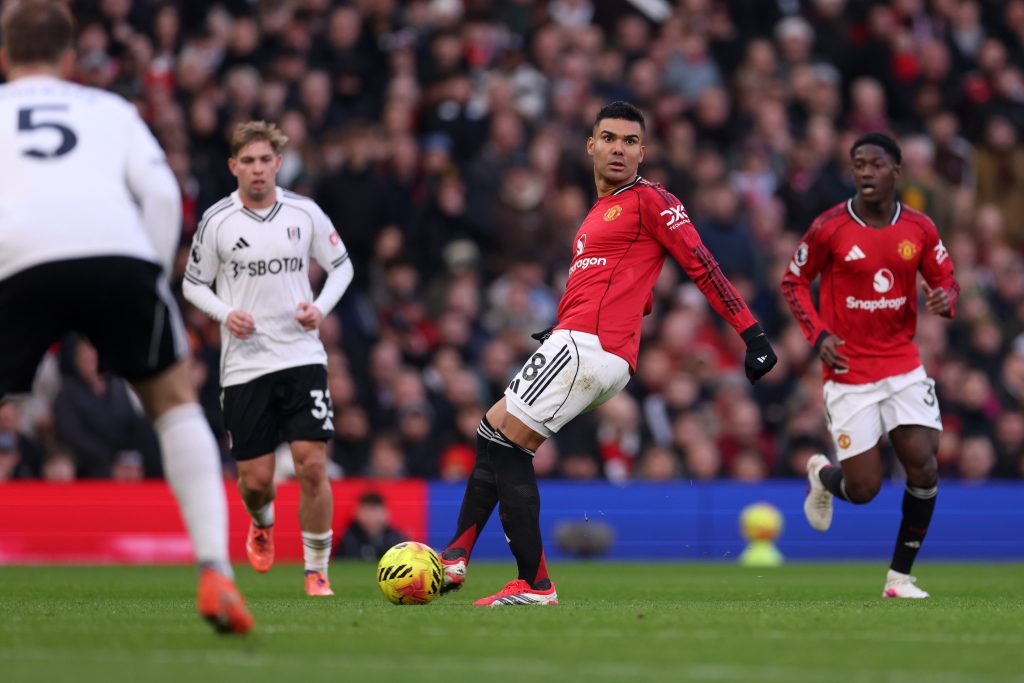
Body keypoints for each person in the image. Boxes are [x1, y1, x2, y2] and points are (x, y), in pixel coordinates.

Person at [438, 101, 778, 606]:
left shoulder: (651, 199)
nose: (619, 148)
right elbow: (628, 290)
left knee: (508, 446)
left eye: (630, 141)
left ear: (643, 152)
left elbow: (702, 264)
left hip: (590, 345)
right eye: (610, 138)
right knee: (492, 430)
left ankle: (535, 584)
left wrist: (753, 335)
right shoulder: (597, 214)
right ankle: (455, 557)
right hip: (578, 341)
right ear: (590, 146)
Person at [0, 1, 251, 634]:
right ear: (68, 61)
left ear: (4, 59)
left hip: (18, 259)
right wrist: (152, 276)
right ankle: (216, 569)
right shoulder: (109, 110)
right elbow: (162, 193)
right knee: (174, 404)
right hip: (120, 257)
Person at [781, 132, 959, 599]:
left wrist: (946, 298)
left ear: (896, 172)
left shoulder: (919, 227)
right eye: (859, 164)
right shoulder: (830, 227)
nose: (865, 172)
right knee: (863, 490)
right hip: (849, 371)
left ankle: (899, 578)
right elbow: (794, 281)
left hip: (902, 363)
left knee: (924, 467)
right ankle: (822, 476)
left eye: (876, 164)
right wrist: (819, 335)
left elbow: (946, 278)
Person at [183, 120, 354, 597]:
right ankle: (261, 521)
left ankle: (316, 570)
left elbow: (342, 266)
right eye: (248, 161)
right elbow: (193, 283)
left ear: (278, 163)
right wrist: (225, 313)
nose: (257, 169)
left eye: (264, 160)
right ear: (233, 166)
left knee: (312, 465)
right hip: (245, 364)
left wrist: (320, 308)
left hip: (301, 355)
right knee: (256, 481)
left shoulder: (305, 212)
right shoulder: (217, 220)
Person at [335, 491, 406, 561]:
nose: (371, 515)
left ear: (385, 512)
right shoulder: (349, 539)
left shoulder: (395, 538)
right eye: (366, 510)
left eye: (375, 510)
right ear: (357, 512)